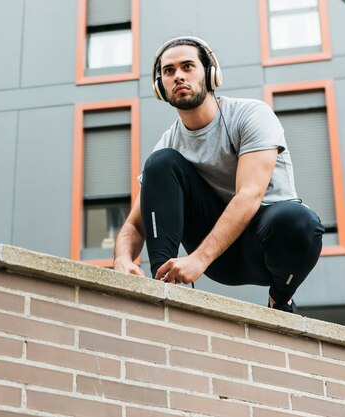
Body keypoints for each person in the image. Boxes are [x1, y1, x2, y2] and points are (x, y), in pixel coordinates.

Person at [112, 36, 325, 313]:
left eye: (188, 66)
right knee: (159, 163)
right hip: (218, 257)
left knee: (300, 221)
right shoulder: (168, 142)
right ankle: (163, 283)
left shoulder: (251, 115)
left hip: (265, 245)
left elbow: (249, 195)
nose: (178, 76)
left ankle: (280, 300)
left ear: (211, 74)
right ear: (159, 87)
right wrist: (122, 258)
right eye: (169, 71)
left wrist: (198, 260)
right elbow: (136, 224)